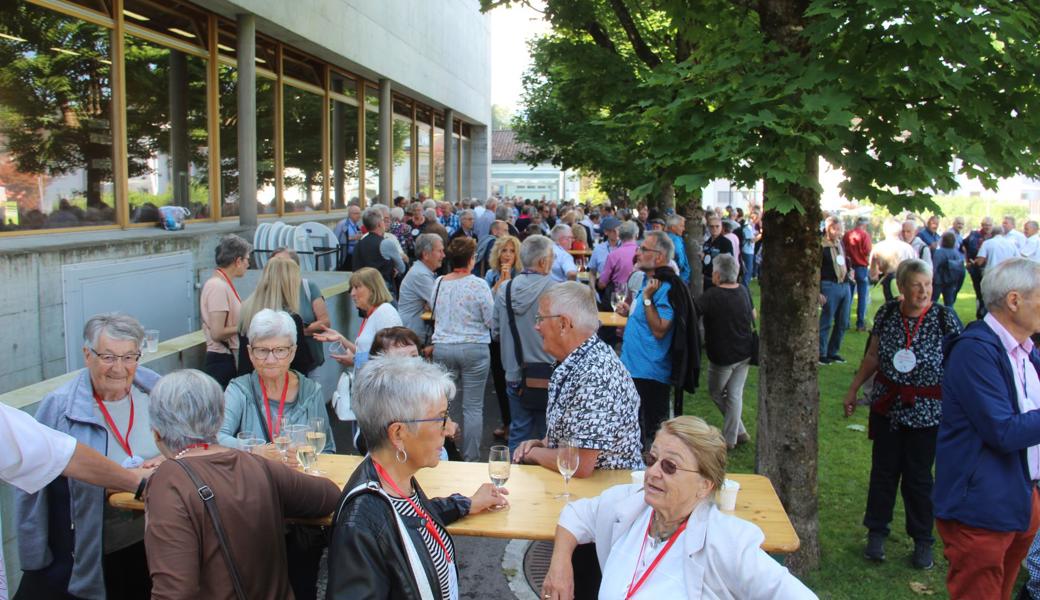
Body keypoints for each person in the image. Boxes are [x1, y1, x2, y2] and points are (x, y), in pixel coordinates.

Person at [540, 416, 816, 600]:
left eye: (670, 466)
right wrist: (560, 565)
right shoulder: (631, 505)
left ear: (704, 485)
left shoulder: (725, 541)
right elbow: (575, 515)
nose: (653, 473)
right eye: (652, 459)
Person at [144, 369, 341, 600]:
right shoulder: (256, 465)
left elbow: (175, 592)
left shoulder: (168, 482)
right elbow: (328, 495)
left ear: (157, 433)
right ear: (218, 421)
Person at [326, 356, 508, 599]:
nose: (448, 427)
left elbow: (408, 521)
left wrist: (466, 504)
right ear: (398, 433)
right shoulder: (360, 522)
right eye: (440, 418)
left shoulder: (394, 480)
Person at [15, 314, 161, 600]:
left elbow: (190, 446)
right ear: (87, 355)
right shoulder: (59, 407)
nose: (119, 368)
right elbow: (30, 485)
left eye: (129, 357)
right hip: (84, 551)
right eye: (108, 356)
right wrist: (34, 555)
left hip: (146, 543)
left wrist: (165, 463)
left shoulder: (157, 394)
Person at [843, 259, 961, 569]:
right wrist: (854, 388)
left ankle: (923, 540)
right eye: (917, 285)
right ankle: (876, 534)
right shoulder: (887, 314)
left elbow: (960, 365)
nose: (924, 291)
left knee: (919, 479)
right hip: (888, 408)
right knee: (883, 472)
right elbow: (873, 355)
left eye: (928, 284)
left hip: (927, 413)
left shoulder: (943, 318)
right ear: (902, 287)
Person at [934, 258, 1040, 599]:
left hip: (1020, 496)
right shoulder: (974, 352)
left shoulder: (1025, 351)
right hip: (980, 506)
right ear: (1014, 301)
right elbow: (1003, 431)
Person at [2, 403, 147, 600]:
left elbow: (63, 454)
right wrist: (138, 482)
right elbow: (64, 456)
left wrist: (139, 482)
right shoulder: (62, 402)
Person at [514, 281, 643, 475]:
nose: (536, 326)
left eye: (541, 318)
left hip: (606, 497)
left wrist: (534, 454)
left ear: (564, 324)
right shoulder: (583, 360)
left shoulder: (596, 375)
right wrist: (542, 443)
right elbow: (574, 432)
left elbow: (580, 463)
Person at [430, 237, 495, 461]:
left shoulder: (439, 283)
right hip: (474, 346)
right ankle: (471, 457)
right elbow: (490, 319)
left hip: (443, 346)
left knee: (446, 403)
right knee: (473, 406)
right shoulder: (478, 284)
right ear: (471, 259)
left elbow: (434, 312)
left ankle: (447, 449)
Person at [493, 235, 558, 454]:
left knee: (518, 432)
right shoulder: (556, 289)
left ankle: (514, 482)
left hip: (515, 373)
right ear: (542, 262)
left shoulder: (505, 289)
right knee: (547, 437)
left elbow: (496, 332)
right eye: (552, 256)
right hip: (549, 374)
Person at [617, 231, 677, 450]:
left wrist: (648, 299)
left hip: (650, 373)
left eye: (643, 249)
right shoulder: (646, 280)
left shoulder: (666, 287)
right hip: (634, 368)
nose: (638, 253)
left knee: (652, 439)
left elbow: (661, 328)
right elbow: (644, 316)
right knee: (633, 433)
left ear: (659, 257)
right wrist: (629, 311)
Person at [696, 255, 755, 449]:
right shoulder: (744, 291)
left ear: (717, 274)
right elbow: (753, 314)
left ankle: (730, 439)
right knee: (734, 395)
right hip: (745, 351)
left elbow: (693, 312)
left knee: (716, 392)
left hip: (723, 356)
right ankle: (739, 432)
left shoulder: (713, 295)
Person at [237, 256, 320, 376]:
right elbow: (300, 364)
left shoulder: (246, 310)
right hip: (279, 386)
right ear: (289, 284)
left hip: (249, 383)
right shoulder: (291, 320)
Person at [317, 267, 403, 373]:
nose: (352, 293)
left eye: (357, 287)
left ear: (372, 289)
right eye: (352, 288)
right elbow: (365, 352)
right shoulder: (371, 314)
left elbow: (390, 357)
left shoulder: (385, 312)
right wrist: (340, 339)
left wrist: (355, 360)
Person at [202, 233, 252, 388]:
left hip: (227, 359)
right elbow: (217, 333)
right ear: (238, 261)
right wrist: (246, 325)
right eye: (247, 259)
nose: (248, 265)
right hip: (222, 361)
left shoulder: (222, 284)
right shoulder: (217, 286)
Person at [398, 233, 446, 345]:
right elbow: (441, 304)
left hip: (414, 332)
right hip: (413, 335)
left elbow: (433, 304)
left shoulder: (422, 271)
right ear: (426, 255)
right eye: (440, 251)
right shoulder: (420, 275)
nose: (443, 255)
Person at [819, 216, 853, 364]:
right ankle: (821, 352)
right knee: (826, 320)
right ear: (827, 229)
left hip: (844, 284)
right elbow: (816, 270)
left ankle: (833, 351)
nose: (838, 232)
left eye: (840, 229)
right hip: (829, 285)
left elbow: (845, 260)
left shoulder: (840, 244)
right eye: (835, 229)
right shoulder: (821, 246)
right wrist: (819, 291)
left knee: (843, 321)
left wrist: (850, 271)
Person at [353, 206, 398, 294]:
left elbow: (356, 268)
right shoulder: (385, 243)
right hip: (382, 288)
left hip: (363, 288)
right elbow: (401, 267)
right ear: (379, 224)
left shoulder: (359, 243)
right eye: (383, 220)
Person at [869, 220, 915, 303]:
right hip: (904, 284)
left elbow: (873, 273)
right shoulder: (908, 248)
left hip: (885, 284)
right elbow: (914, 269)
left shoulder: (878, 247)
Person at [844, 217, 873, 332]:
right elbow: (867, 251)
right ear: (865, 225)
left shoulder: (847, 235)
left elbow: (844, 249)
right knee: (862, 297)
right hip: (861, 267)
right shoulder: (865, 236)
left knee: (849, 296)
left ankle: (845, 322)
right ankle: (860, 323)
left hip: (850, 267)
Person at [962, 216, 994, 320]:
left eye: (989, 225)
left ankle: (988, 316)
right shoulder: (974, 235)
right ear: (981, 225)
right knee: (979, 293)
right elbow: (963, 245)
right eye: (985, 225)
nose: (987, 227)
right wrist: (967, 261)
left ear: (992, 226)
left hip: (989, 270)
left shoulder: (994, 238)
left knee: (989, 294)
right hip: (976, 269)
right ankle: (980, 315)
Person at [597, 221, 639, 299]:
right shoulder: (643, 253)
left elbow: (602, 284)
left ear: (619, 235)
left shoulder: (613, 255)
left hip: (618, 298)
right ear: (636, 235)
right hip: (639, 297)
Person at [931, 232, 966, 307]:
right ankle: (949, 317)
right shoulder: (956, 253)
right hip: (951, 281)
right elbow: (961, 270)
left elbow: (934, 267)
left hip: (938, 281)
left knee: (933, 301)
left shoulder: (939, 252)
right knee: (949, 304)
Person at [702, 215, 735, 291]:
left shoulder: (726, 243)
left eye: (717, 226)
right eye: (712, 226)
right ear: (708, 227)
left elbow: (728, 263)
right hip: (707, 278)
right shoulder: (707, 243)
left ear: (721, 227)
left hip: (719, 280)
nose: (714, 229)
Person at [333, 204, 363, 270]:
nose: (359, 216)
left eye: (359, 213)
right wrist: (352, 238)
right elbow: (335, 238)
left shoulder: (357, 224)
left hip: (355, 255)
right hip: (345, 255)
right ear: (350, 214)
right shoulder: (342, 224)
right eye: (356, 213)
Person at [665, 215, 691, 285]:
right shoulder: (675, 239)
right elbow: (680, 261)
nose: (684, 229)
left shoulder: (664, 237)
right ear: (673, 227)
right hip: (679, 279)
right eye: (681, 226)